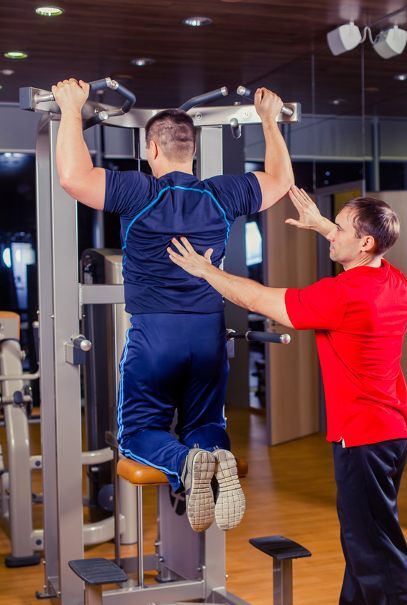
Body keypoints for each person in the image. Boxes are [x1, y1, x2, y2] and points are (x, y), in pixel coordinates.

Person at [167, 186, 407, 605]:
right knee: (362, 530)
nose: (334, 227)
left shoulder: (345, 295)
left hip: (367, 436)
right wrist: (324, 228)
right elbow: (352, 249)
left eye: (344, 226)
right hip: (389, 429)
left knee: (377, 545)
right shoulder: (390, 279)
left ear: (367, 243)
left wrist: (208, 273)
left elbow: (266, 302)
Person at [52, 78, 294, 533]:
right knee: (204, 420)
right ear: (193, 152)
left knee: (138, 433)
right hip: (207, 334)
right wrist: (269, 120)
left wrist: (70, 108)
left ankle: (187, 464)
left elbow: (72, 177)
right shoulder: (221, 194)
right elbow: (281, 180)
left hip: (154, 336)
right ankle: (213, 455)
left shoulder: (139, 192)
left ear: (152, 151)